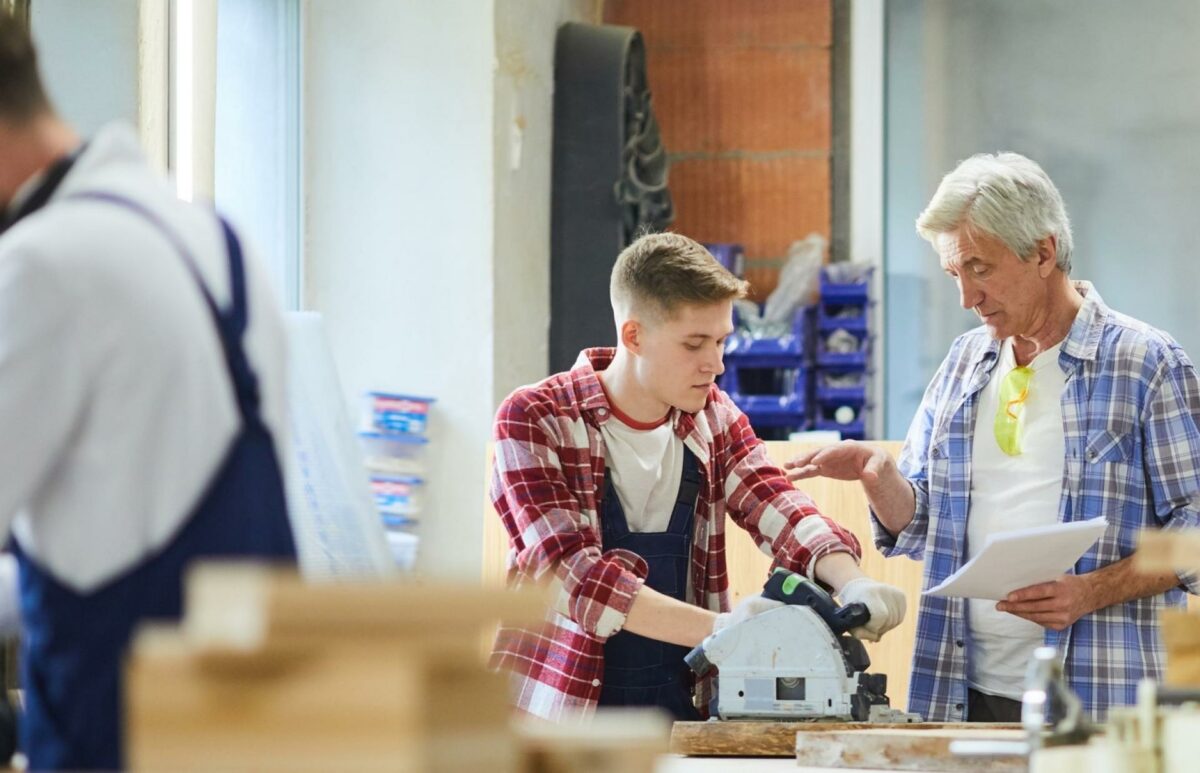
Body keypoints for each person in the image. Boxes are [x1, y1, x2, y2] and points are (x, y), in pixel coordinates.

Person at [786, 152, 1200, 723]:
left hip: (1102, 701)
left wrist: (1092, 591)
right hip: (960, 692)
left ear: (1043, 252)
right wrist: (879, 477)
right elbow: (924, 522)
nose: (966, 298)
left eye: (979, 268)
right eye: (955, 274)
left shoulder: (1145, 363)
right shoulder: (963, 363)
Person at [0, 14, 297, 768]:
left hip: (124, 738)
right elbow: (109, 527)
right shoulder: (220, 244)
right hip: (253, 734)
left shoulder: (43, 267)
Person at [489, 231, 906, 720]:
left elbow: (777, 504)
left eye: (722, 341)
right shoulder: (535, 418)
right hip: (560, 714)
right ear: (634, 335)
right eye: (694, 343)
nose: (717, 363)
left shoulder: (714, 418)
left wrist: (851, 581)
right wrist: (725, 628)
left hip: (680, 708)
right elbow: (574, 578)